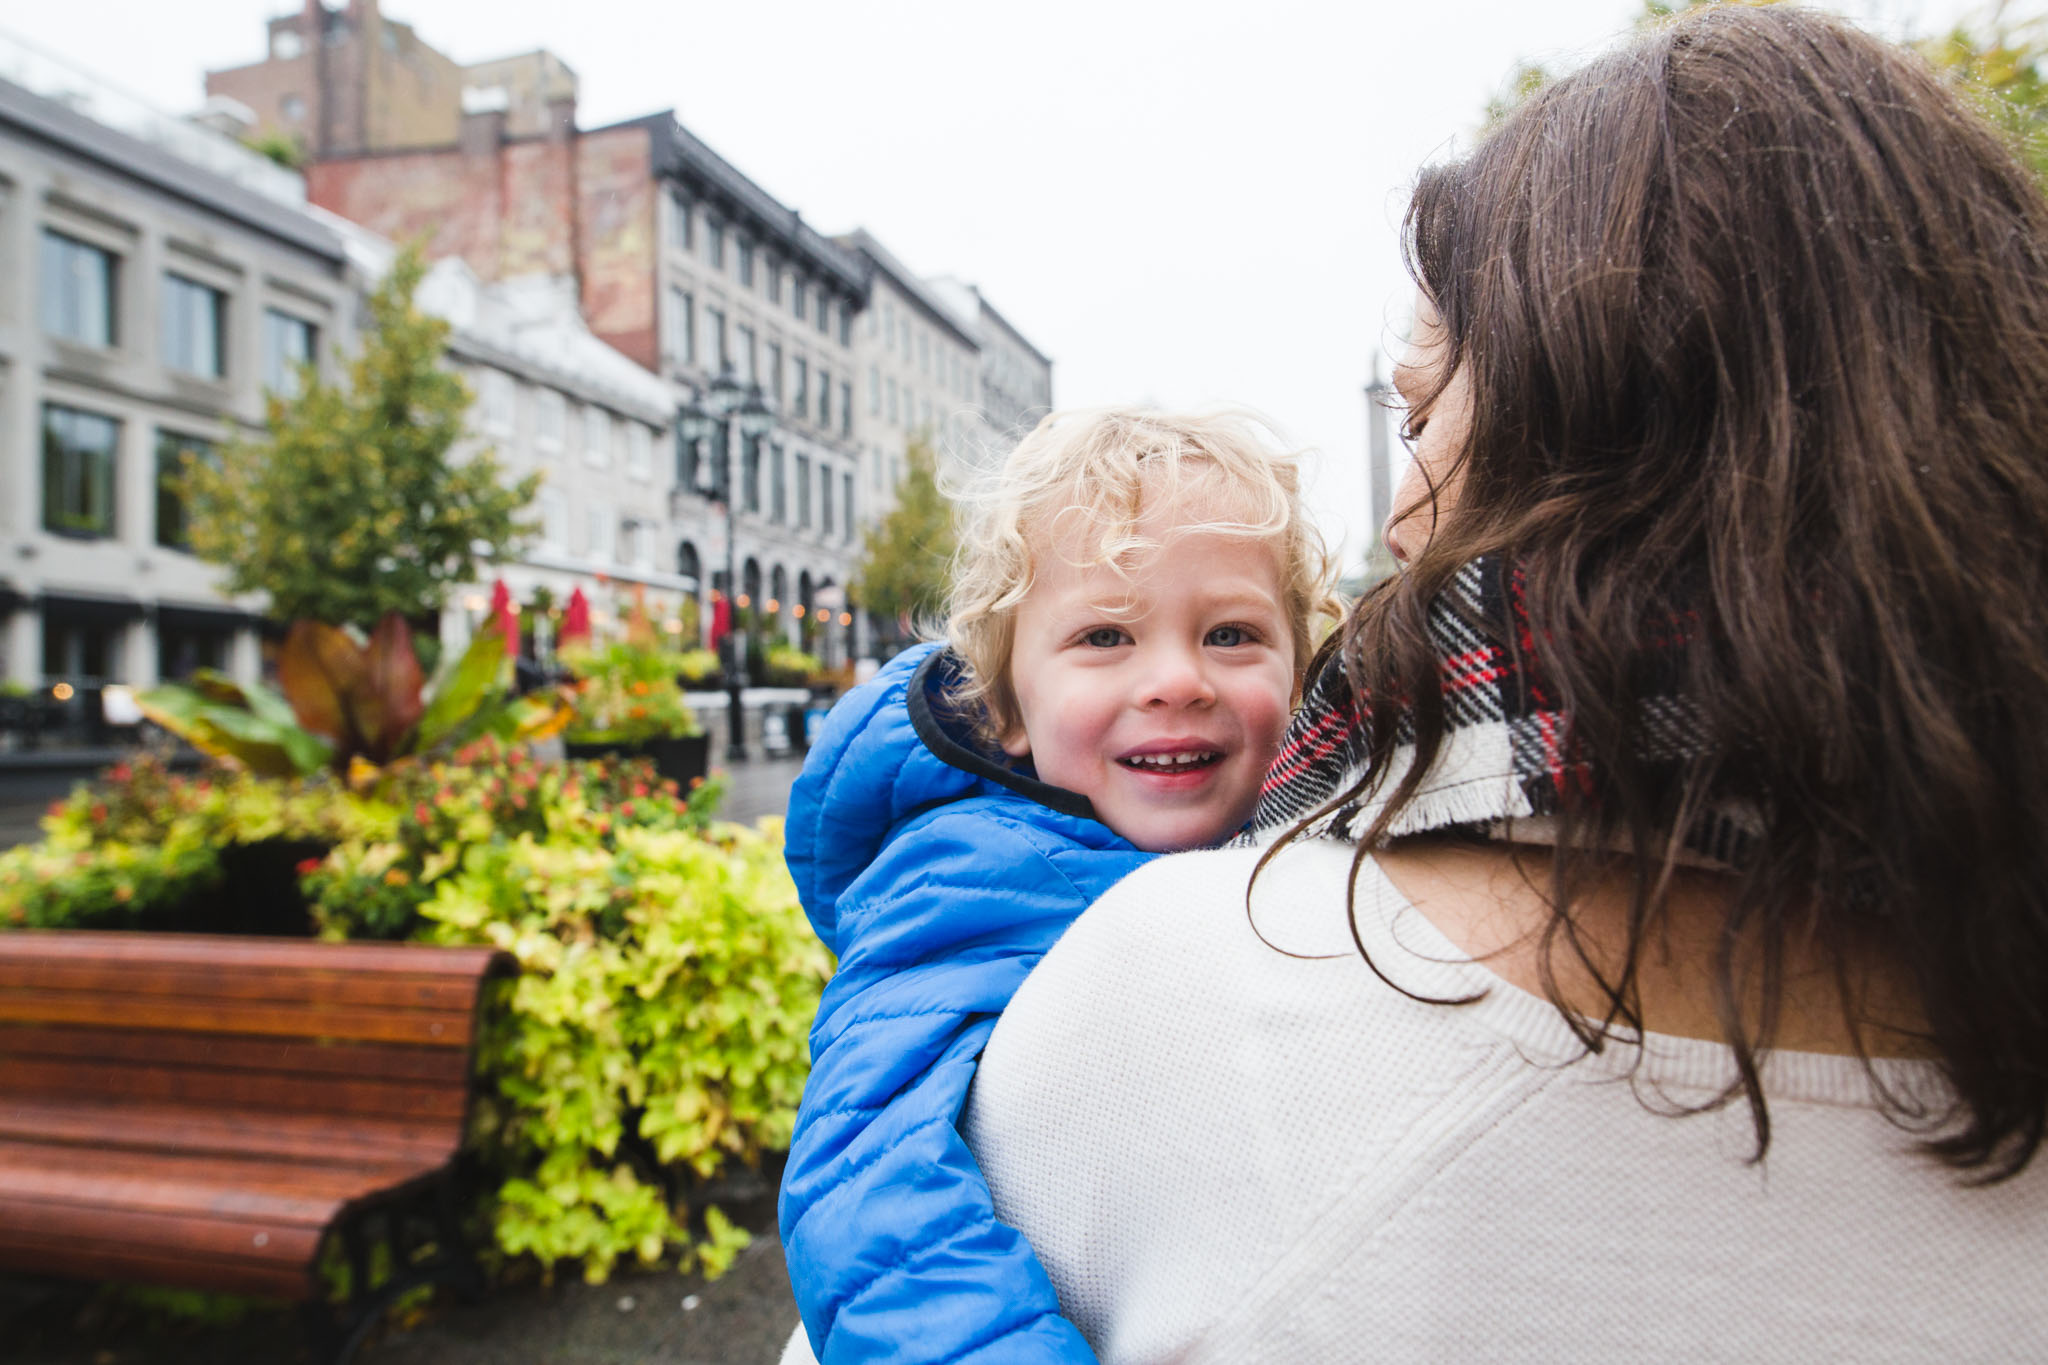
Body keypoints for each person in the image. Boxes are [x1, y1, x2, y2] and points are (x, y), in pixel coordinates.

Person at [958, 9, 2048, 1361]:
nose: (1402, 519)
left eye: (1419, 415)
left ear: (1589, 421)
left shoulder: (1207, 992)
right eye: (1104, 638)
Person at [778, 409, 1338, 1364]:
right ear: (1004, 708)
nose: (1176, 679)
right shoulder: (968, 880)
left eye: (1233, 632)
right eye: (1107, 636)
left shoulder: (1304, 848)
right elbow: (867, 1184)